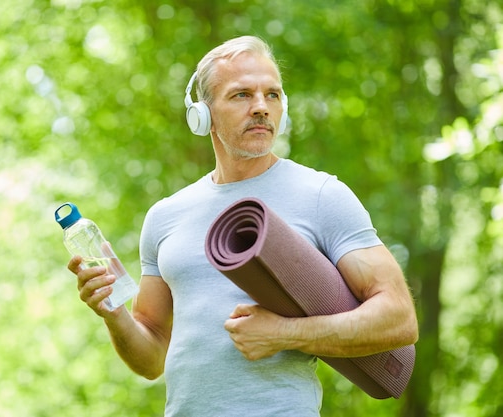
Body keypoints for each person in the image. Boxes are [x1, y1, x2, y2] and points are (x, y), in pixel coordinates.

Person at [68, 35, 418, 416]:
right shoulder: (165, 216)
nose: (261, 108)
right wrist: (114, 314)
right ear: (202, 115)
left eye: (272, 95)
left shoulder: (321, 195)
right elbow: (151, 358)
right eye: (241, 95)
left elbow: (399, 319)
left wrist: (284, 335)